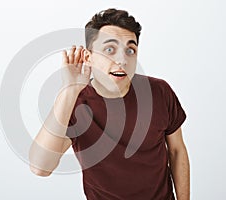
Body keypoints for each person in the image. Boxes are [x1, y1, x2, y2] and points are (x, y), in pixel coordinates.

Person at [29, 8, 190, 200]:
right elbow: (40, 168)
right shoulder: (75, 104)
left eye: (130, 50)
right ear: (89, 57)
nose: (122, 59)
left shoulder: (159, 91)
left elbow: (177, 150)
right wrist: (70, 90)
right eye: (110, 50)